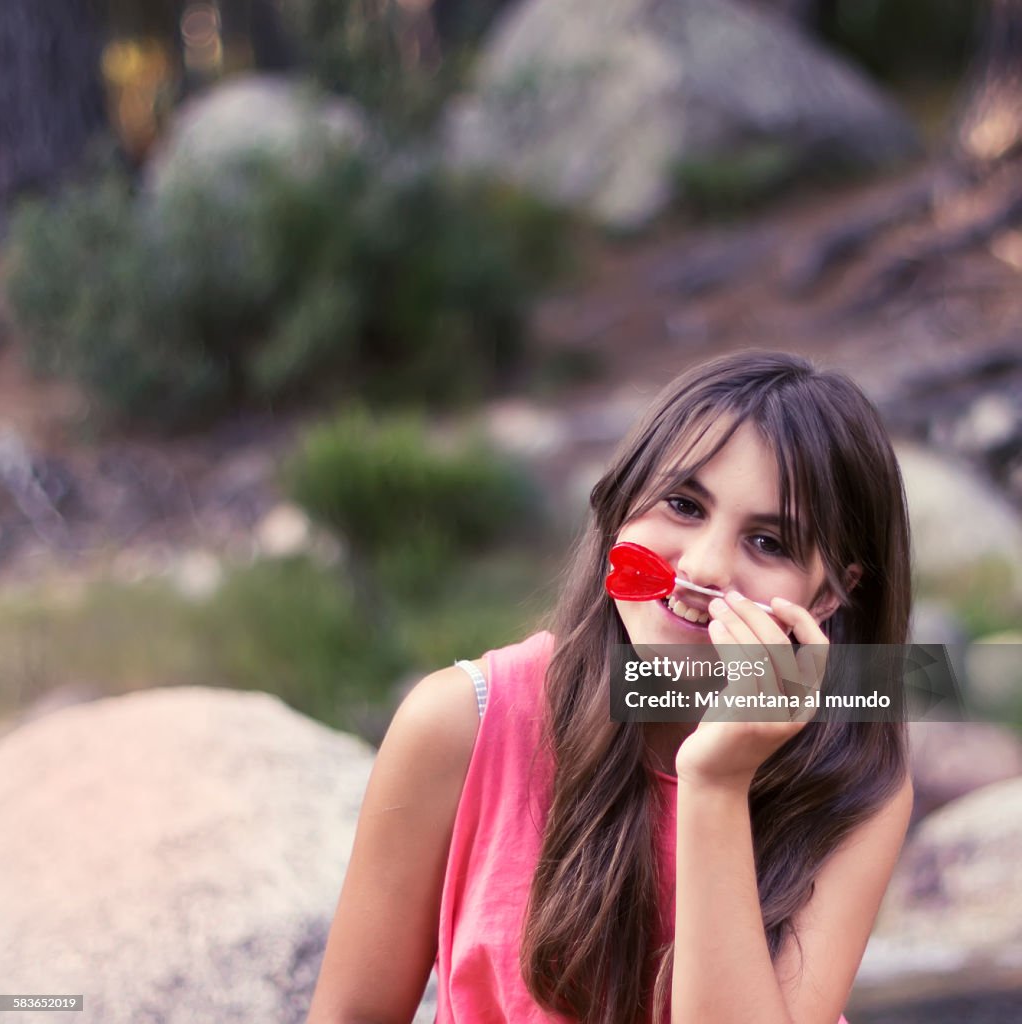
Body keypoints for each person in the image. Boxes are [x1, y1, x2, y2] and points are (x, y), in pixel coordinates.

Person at [304, 351, 915, 1024]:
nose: (706, 567)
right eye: (683, 505)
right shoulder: (460, 722)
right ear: (620, 507)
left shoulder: (855, 772)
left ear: (830, 593)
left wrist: (716, 782)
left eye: (769, 543)